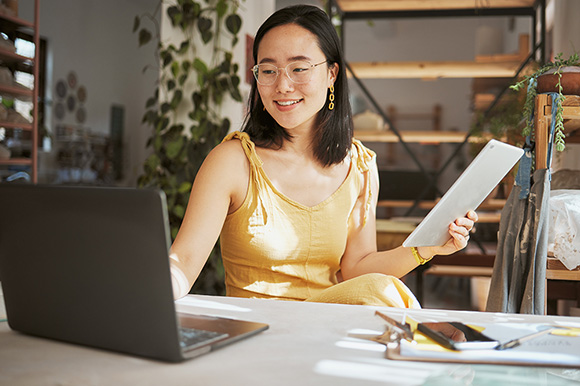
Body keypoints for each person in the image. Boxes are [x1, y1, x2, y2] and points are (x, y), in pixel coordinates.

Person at [169, 4, 477, 308]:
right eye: (268, 70)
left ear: (331, 74)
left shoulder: (359, 166)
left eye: (299, 68)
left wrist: (425, 249)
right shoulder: (232, 161)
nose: (283, 85)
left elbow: (357, 269)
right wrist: (151, 285)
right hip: (256, 332)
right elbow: (183, 262)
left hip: (328, 330)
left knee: (382, 289)